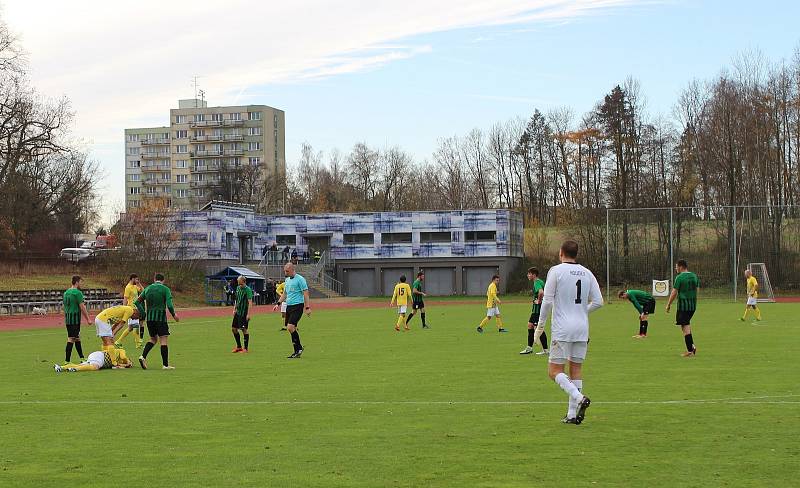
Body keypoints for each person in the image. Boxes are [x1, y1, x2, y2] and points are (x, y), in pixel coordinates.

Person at [539, 240, 603, 425]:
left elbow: (548, 301)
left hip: (562, 329)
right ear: (577, 253)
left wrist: (540, 325)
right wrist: (582, 311)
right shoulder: (587, 272)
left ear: (561, 253)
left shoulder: (556, 271)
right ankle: (572, 415)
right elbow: (598, 302)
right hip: (582, 327)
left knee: (554, 371)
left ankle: (579, 397)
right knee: (575, 369)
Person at [136, 273, 180, 369]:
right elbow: (169, 305)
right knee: (163, 339)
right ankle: (165, 365)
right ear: (163, 280)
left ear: (154, 279)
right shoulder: (165, 289)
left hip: (150, 319)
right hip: (160, 318)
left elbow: (137, 302)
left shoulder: (147, 289)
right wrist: (174, 315)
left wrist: (143, 313)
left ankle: (142, 356)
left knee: (153, 339)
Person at [274, 263, 311, 358]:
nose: (285, 273)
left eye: (287, 271)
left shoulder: (300, 279)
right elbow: (285, 294)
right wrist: (278, 304)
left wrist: (307, 307)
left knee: (290, 327)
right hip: (289, 306)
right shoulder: (287, 280)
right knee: (290, 328)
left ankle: (298, 349)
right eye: (285, 271)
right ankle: (298, 350)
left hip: (298, 306)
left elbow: (306, 293)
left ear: (292, 269)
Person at [666, 260, 700, 357]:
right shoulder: (694, 276)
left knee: (685, 327)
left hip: (683, 306)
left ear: (681, 267)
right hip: (692, 306)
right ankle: (692, 346)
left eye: (676, 267)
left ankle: (690, 350)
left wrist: (668, 304)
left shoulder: (679, 277)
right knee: (685, 325)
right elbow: (697, 290)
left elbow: (674, 292)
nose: (676, 268)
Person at [62, 275, 91, 364]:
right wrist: (88, 319)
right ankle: (67, 361)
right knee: (71, 338)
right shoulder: (77, 293)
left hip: (68, 319)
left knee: (77, 338)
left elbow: (65, 306)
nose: (81, 284)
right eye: (81, 282)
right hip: (75, 319)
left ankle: (82, 358)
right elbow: (82, 307)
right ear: (77, 282)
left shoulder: (66, 292)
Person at [520, 267, 548, 355]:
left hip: (537, 310)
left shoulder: (537, 282)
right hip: (538, 309)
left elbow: (541, 292)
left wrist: (539, 301)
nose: (528, 275)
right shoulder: (541, 281)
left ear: (534, 274)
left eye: (529, 274)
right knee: (530, 325)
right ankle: (530, 348)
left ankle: (545, 350)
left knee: (539, 328)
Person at [115, 274, 144, 348]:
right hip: (132, 309)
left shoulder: (134, 286)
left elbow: (143, 291)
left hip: (135, 308)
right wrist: (124, 309)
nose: (137, 280)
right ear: (132, 279)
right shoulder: (128, 287)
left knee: (130, 328)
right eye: (136, 279)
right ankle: (138, 344)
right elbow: (125, 298)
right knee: (136, 327)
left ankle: (118, 341)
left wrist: (139, 283)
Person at [54, 347, 132, 372]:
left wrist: (126, 366)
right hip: (100, 357)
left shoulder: (118, 363)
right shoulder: (122, 351)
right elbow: (123, 357)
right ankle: (74, 369)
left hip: (97, 356)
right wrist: (128, 362)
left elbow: (115, 367)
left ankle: (60, 367)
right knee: (95, 367)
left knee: (81, 365)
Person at [231, 275, 254, 353]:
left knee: (244, 329)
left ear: (244, 282)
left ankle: (246, 348)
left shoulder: (248, 290)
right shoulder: (238, 288)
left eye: (241, 284)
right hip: (238, 312)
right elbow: (236, 300)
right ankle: (239, 347)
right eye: (239, 284)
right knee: (234, 329)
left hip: (244, 313)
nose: (240, 285)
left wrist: (248, 314)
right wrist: (234, 309)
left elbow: (250, 302)